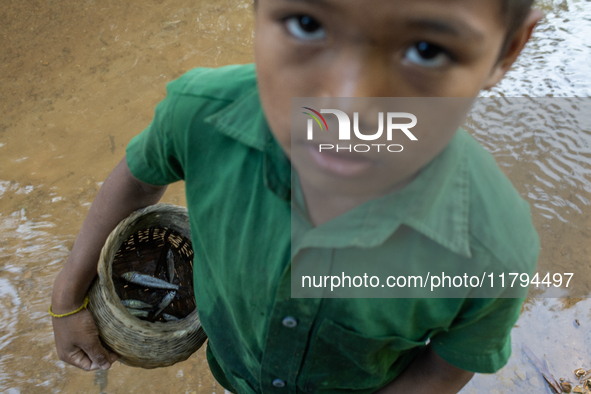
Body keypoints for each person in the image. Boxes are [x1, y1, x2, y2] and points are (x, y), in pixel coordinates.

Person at [50, 0, 543, 393]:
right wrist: (66, 298)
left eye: (427, 50)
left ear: (507, 51)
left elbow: (443, 370)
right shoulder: (198, 113)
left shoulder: (494, 248)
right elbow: (137, 181)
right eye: (308, 23)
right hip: (235, 371)